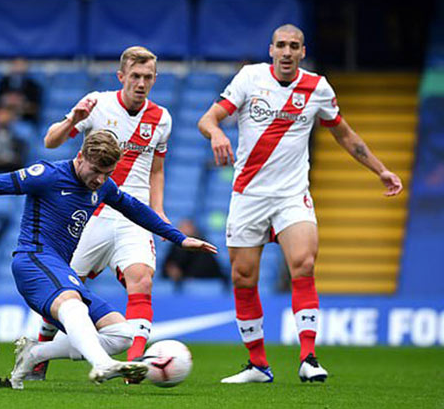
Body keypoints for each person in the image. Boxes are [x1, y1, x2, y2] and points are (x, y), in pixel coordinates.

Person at [0, 131, 216, 389]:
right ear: (80, 157)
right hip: (33, 261)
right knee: (73, 303)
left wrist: (180, 238)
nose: (100, 179)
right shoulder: (48, 175)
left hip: (59, 269)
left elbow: (135, 209)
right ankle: (101, 364)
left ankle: (35, 354)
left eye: (107, 172)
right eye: (96, 170)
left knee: (122, 334)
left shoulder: (103, 186)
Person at [197, 24, 403, 384]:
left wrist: (380, 170)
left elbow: (344, 133)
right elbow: (208, 118)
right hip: (248, 195)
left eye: (294, 46)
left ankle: (309, 357)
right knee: (243, 278)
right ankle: (258, 365)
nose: (287, 52)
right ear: (271, 49)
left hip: (293, 195)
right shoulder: (250, 78)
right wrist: (216, 133)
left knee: (304, 264)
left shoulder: (317, 87)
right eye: (281, 46)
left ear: (302, 51)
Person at [40, 46, 172, 371]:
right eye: (135, 76)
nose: (141, 83)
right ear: (121, 76)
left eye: (148, 77)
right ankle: (40, 353)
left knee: (141, 279)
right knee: (65, 288)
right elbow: (50, 141)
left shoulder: (161, 118)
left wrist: (159, 212)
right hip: (91, 213)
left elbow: (156, 170)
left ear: (155, 79)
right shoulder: (96, 104)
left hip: (134, 215)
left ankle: (135, 364)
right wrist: (74, 118)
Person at [162, 219, 228, 289]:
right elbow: (167, 267)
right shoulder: (174, 247)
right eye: (182, 228)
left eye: (187, 228)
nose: (184, 231)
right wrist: (171, 271)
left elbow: (209, 268)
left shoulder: (202, 245)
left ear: (194, 230)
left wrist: (186, 276)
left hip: (204, 283)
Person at [0, 58, 42, 124]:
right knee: (1, 116)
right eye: (16, 65)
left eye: (21, 65)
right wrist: (7, 100)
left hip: (25, 117)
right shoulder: (3, 82)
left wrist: (21, 103)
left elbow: (35, 107)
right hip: (6, 113)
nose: (18, 68)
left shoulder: (33, 85)